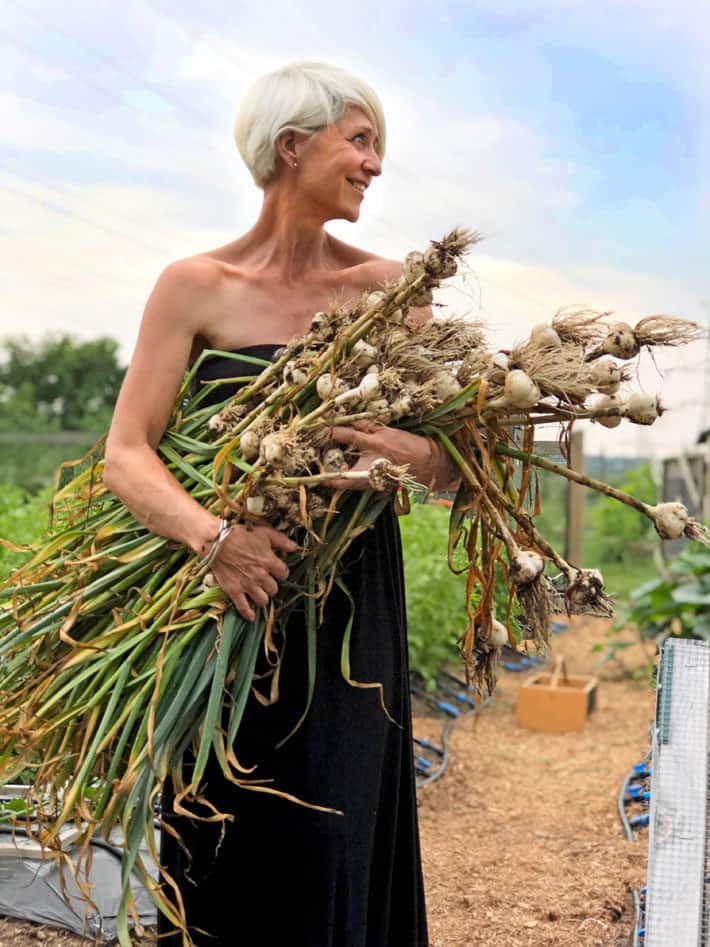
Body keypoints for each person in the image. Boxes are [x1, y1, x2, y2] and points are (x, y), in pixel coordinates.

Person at [104, 61, 457, 947]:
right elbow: (126, 452)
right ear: (291, 147)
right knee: (217, 830)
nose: (375, 163)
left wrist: (406, 451)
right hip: (218, 609)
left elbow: (458, 467)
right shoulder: (196, 286)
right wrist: (213, 536)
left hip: (346, 621)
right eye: (359, 139)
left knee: (333, 831)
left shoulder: (391, 293)